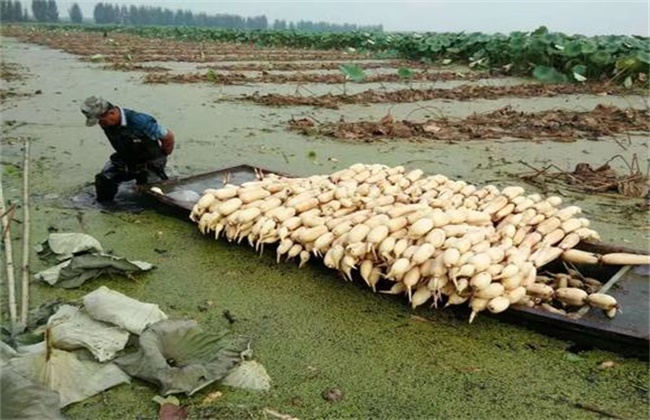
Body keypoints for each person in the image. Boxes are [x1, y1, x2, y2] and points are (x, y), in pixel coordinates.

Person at [80, 96, 175, 202]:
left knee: (150, 195)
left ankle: (156, 177)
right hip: (126, 158)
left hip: (150, 160)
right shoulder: (107, 123)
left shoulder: (139, 121)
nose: (101, 124)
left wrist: (161, 158)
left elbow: (168, 137)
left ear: (111, 113)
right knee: (104, 180)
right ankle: (107, 208)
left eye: (101, 121)